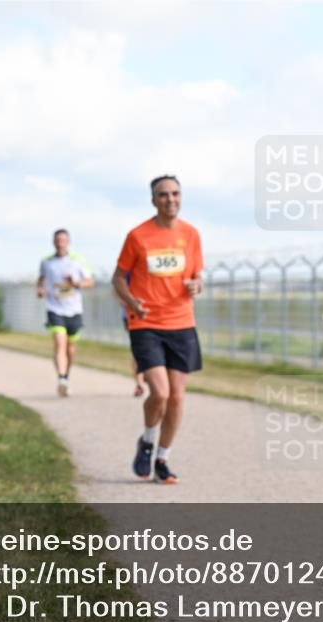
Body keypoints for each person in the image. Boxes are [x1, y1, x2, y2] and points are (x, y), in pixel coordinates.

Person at [113, 175, 204, 484]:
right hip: (146, 323)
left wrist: (196, 285)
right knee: (161, 393)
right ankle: (148, 440)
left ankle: (162, 459)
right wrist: (131, 303)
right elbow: (117, 279)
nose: (170, 199)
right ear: (154, 200)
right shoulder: (138, 236)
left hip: (182, 323)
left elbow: (196, 276)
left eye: (175, 193)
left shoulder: (191, 235)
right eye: (163, 195)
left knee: (177, 397)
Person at [37, 229, 95, 397]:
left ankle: (66, 375)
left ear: (68, 242)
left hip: (74, 309)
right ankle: (61, 378)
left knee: (70, 349)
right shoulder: (46, 262)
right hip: (54, 308)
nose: (60, 243)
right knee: (59, 344)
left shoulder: (78, 260)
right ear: (53, 242)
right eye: (57, 240)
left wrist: (75, 283)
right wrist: (40, 289)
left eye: (63, 240)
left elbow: (90, 282)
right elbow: (41, 279)